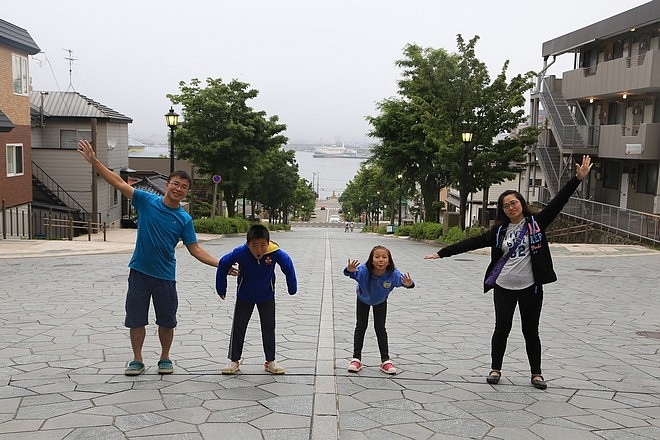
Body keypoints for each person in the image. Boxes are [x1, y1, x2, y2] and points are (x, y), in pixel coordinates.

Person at [424, 155, 593, 390]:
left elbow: (559, 201)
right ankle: (495, 368)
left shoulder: (537, 222)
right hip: (504, 286)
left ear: (521, 203)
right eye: (506, 205)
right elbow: (473, 242)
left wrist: (577, 178)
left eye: (514, 202)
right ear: (502, 210)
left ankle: (536, 373)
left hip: (531, 288)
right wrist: (443, 253)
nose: (511, 207)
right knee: (501, 329)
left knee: (530, 331)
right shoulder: (500, 231)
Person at [77, 139, 221, 376]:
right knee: (136, 319)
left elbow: (194, 249)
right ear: (168, 184)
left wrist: (221, 264)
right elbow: (117, 182)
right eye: (175, 184)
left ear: (187, 191)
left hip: (165, 276)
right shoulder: (146, 201)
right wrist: (94, 161)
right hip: (139, 272)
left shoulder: (184, 219)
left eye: (184, 187)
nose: (178, 188)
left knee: (167, 321)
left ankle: (165, 358)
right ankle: (137, 359)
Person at [216, 224, 297, 375]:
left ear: (268, 243)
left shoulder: (274, 253)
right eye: (254, 246)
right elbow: (223, 263)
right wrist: (221, 288)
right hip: (244, 296)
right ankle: (234, 360)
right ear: (248, 244)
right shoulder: (240, 252)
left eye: (262, 245)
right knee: (238, 328)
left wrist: (292, 287)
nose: (258, 250)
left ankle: (270, 361)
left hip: (267, 295)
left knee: (269, 328)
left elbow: (288, 266)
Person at [344, 245, 415, 374]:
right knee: (361, 326)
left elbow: (407, 282)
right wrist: (349, 270)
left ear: (389, 261)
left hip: (380, 301)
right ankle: (356, 358)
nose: (380, 260)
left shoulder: (393, 274)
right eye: (377, 257)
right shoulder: (364, 270)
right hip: (363, 299)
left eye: (384, 257)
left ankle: (385, 361)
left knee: (380, 328)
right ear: (371, 260)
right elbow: (350, 273)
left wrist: (409, 284)